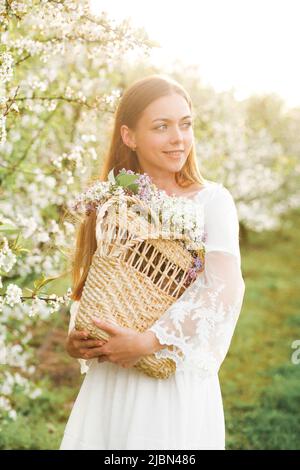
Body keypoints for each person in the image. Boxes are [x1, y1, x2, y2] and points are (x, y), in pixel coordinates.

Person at [59, 74, 245, 450]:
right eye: (162, 127)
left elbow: (224, 289)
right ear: (130, 136)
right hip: (112, 376)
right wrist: (76, 341)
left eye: (185, 124)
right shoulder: (113, 201)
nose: (179, 138)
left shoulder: (212, 201)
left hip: (170, 376)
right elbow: (99, 281)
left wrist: (150, 341)